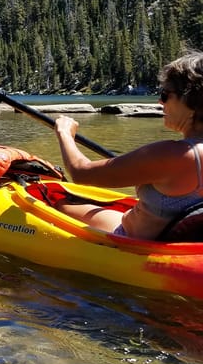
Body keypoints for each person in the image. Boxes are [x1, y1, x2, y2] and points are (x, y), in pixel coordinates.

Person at [53, 51, 203, 239]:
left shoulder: (173, 154)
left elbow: (79, 172)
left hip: (133, 240)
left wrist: (64, 133)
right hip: (176, 238)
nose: (159, 101)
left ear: (192, 101)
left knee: (61, 204)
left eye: (165, 95)